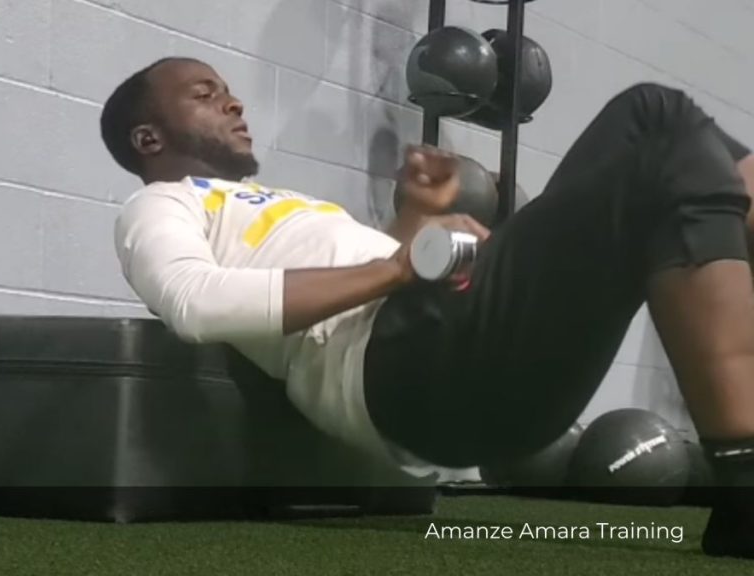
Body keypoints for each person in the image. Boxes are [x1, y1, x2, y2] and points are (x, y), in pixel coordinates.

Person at [102, 56, 754, 558]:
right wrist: (397, 264)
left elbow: (381, 278)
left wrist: (415, 220)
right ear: (148, 139)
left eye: (226, 89)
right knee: (652, 120)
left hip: (466, 372)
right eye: (205, 94)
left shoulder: (284, 204)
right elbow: (194, 304)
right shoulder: (161, 206)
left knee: (691, 159)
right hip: (413, 378)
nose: (234, 100)